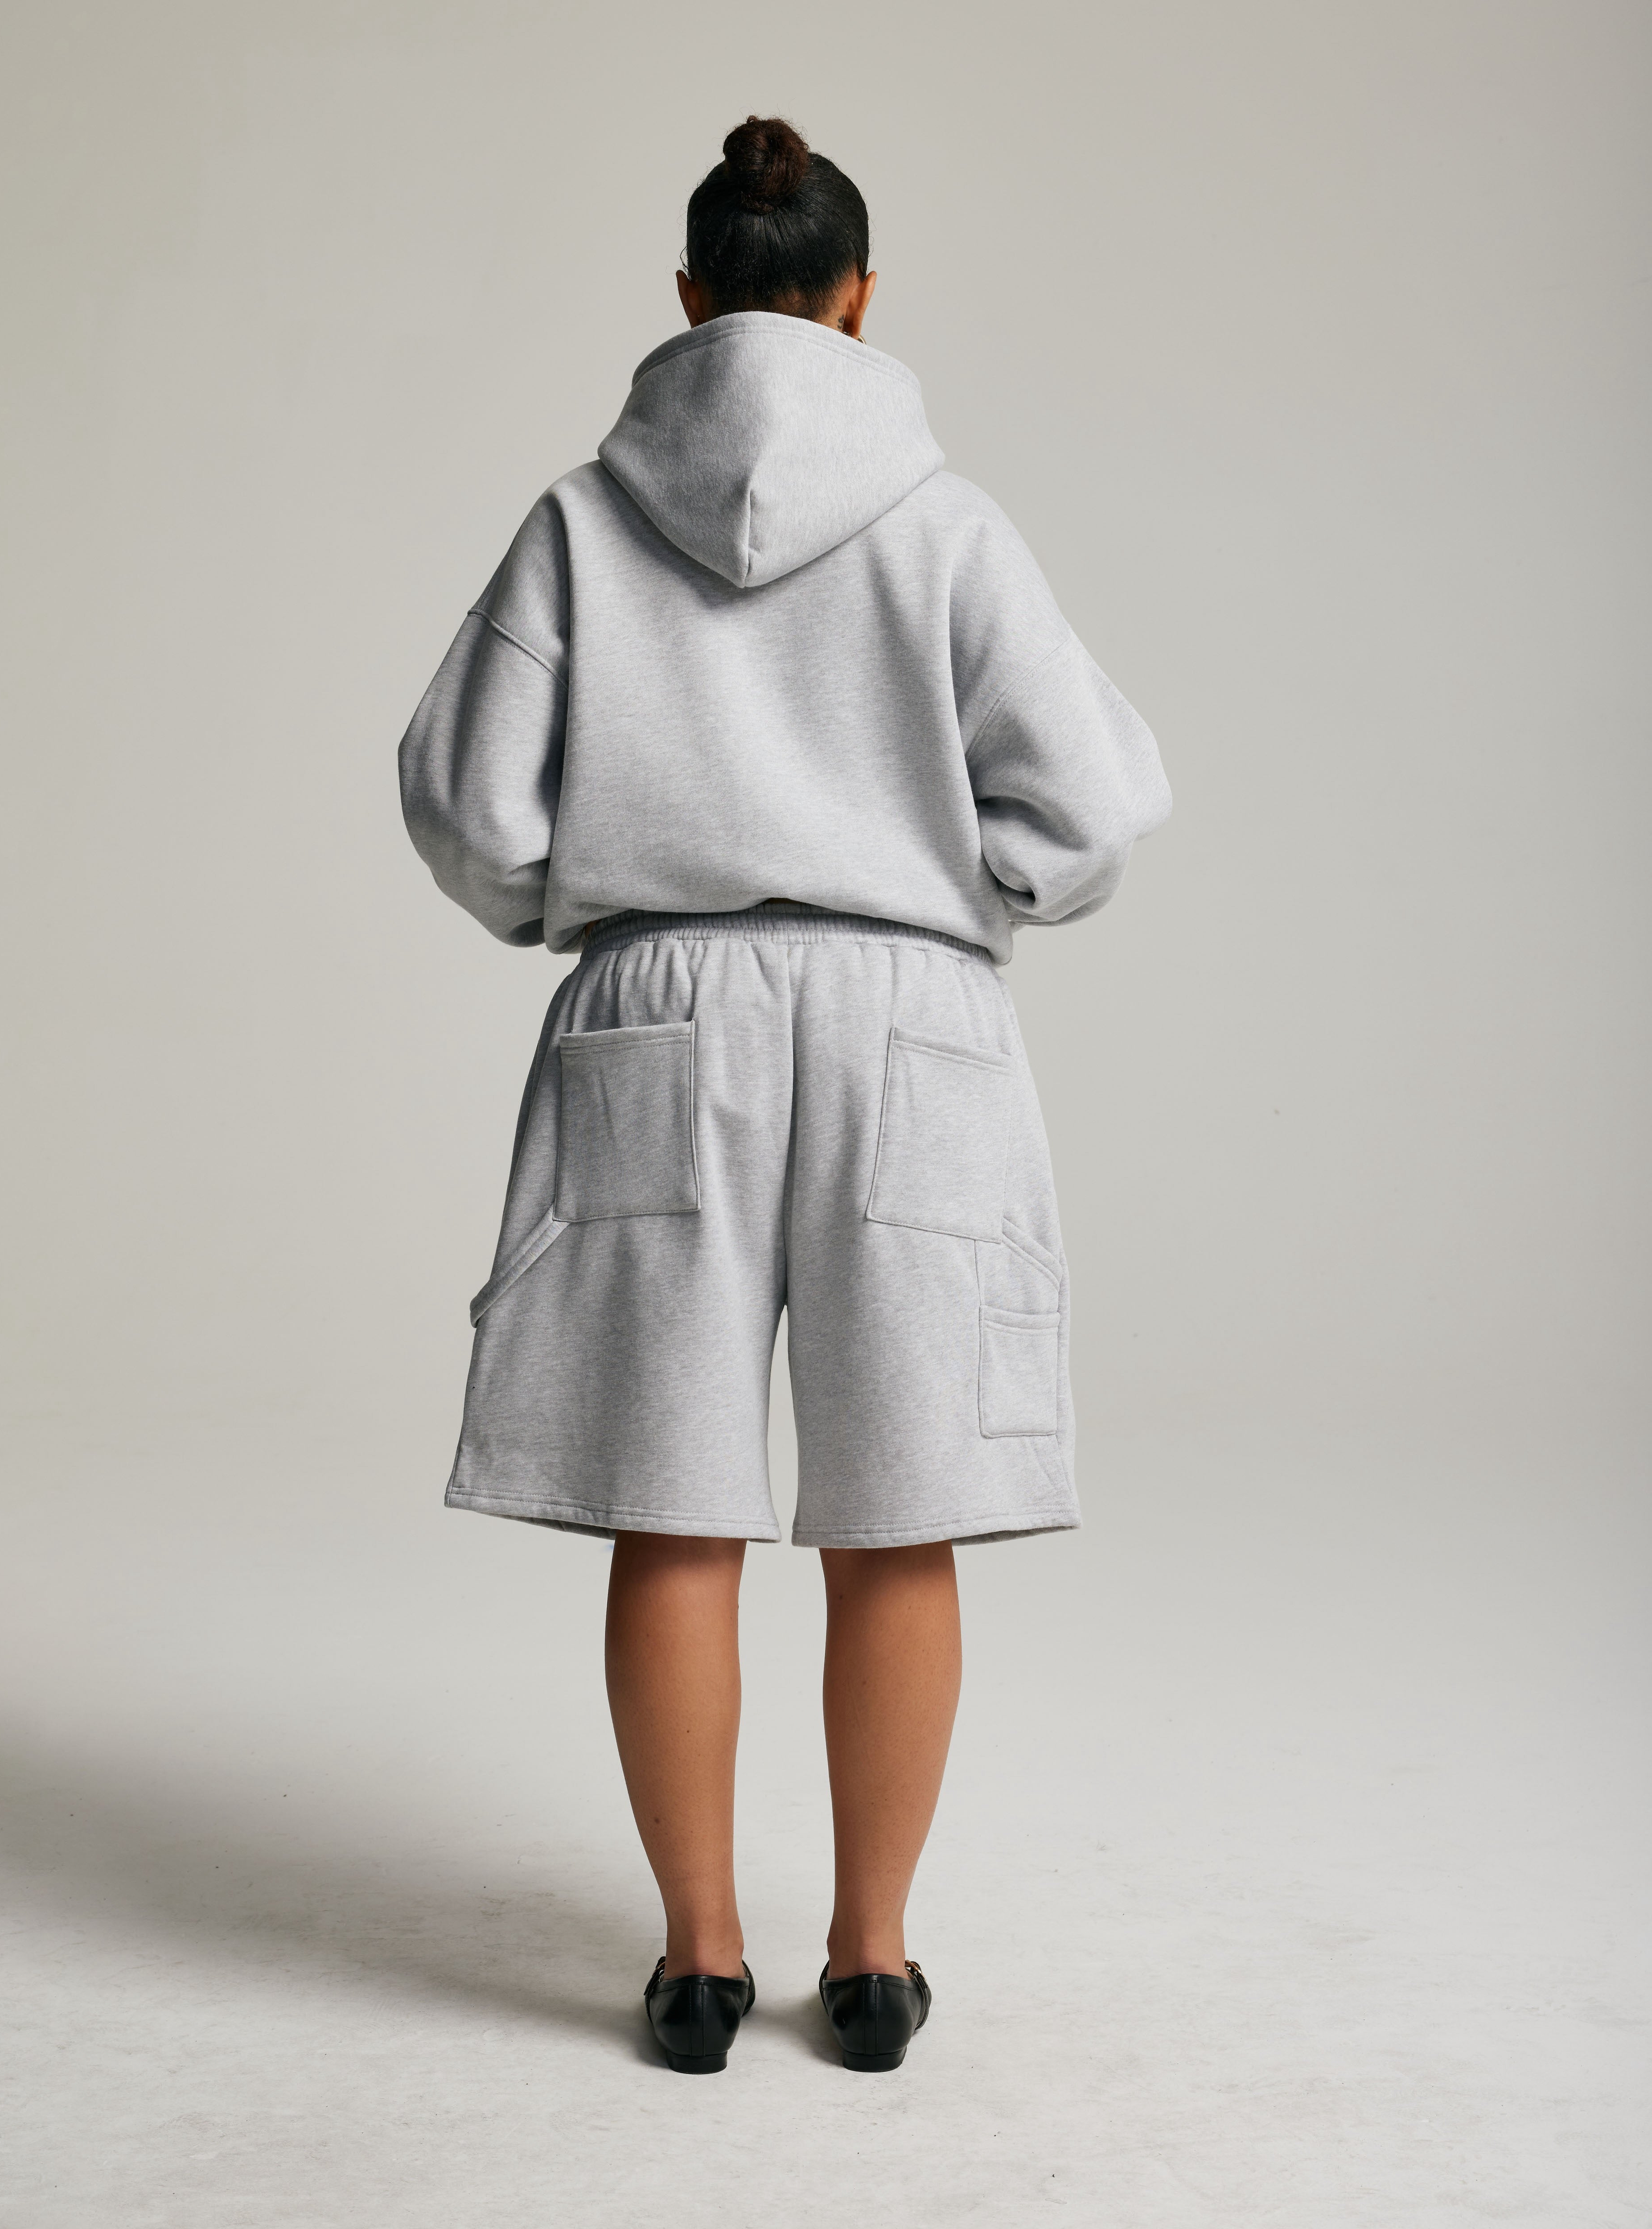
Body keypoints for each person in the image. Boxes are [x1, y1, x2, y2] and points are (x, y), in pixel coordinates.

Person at [398, 115, 1170, 2076]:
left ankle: (697, 1957)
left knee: (672, 1502)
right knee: (898, 1507)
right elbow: (1090, 806)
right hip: (910, 1017)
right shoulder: (947, 524)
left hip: (658, 1010)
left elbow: (469, 802)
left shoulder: (581, 521)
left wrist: (580, 900)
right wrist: (957, 892)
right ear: (859, 301)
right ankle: (877, 1955)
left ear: (688, 301)